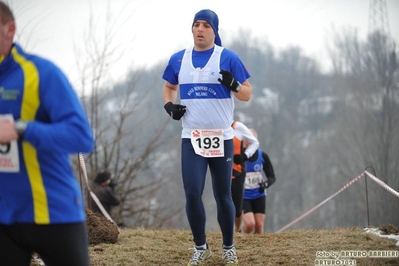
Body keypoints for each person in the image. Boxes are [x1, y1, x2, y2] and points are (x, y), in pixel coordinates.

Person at [0, 2, 94, 266]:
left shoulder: (41, 73)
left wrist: (21, 129)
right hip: (4, 218)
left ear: (10, 30)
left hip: (53, 213)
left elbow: (81, 137)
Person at [162, 9, 252, 266]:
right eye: (196, 25)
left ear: (214, 31)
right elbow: (169, 87)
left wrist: (234, 85)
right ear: (192, 29)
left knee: (223, 195)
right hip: (191, 138)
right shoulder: (179, 59)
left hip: (221, 138)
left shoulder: (228, 57)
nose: (200, 29)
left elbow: (247, 93)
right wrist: (169, 107)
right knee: (192, 193)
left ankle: (228, 247)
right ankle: (201, 247)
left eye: (206, 26)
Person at [242, 129, 276, 234]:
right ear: (244, 141)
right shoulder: (239, 157)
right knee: (249, 224)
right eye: (248, 139)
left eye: (252, 139)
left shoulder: (262, 156)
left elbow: (272, 177)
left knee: (259, 225)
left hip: (259, 194)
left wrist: (265, 184)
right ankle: (241, 239)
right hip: (243, 196)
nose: (250, 142)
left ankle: (258, 249)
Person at [231, 120, 259, 233]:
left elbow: (255, 142)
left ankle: (237, 230)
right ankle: (224, 232)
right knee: (222, 203)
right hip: (221, 169)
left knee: (237, 208)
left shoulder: (238, 127)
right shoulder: (214, 126)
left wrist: (244, 156)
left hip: (237, 171)